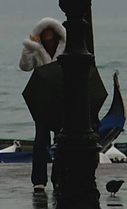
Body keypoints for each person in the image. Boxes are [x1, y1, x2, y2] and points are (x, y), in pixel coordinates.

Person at [18, 17, 108, 191]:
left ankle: (58, 178)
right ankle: (39, 181)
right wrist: (29, 47)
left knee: (62, 142)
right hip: (44, 102)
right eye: (44, 32)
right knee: (40, 142)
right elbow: (24, 66)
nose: (48, 35)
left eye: (50, 31)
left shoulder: (68, 48)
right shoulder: (37, 50)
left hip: (64, 101)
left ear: (57, 33)